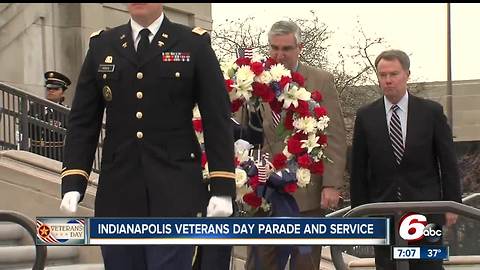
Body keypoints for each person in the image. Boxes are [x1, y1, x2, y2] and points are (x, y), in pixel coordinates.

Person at [59, 3, 236, 270]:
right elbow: (83, 121)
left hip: (175, 190)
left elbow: (217, 120)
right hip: (119, 191)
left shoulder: (192, 44)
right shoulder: (102, 45)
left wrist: (222, 188)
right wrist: (73, 181)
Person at [242, 20, 348, 270]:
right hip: (262, 196)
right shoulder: (254, 80)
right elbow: (238, 130)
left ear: (299, 47)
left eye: (286, 48)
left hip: (305, 198)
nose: (279, 55)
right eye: (274, 48)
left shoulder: (320, 80)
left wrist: (332, 185)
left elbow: (334, 135)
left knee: (305, 265)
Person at [350, 49, 462, 270]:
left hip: (426, 209)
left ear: (407, 75)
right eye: (383, 75)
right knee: (388, 266)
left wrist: (452, 204)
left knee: (428, 265)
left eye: (394, 74)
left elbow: (448, 162)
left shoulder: (431, 112)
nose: (388, 80)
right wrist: (359, 214)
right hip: (382, 211)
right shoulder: (366, 116)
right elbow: (358, 169)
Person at [28, 71, 71, 161]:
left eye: (55, 89)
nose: (51, 91)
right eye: (49, 88)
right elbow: (25, 127)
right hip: (35, 151)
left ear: (62, 93)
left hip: (55, 154)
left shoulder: (65, 112)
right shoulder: (35, 106)